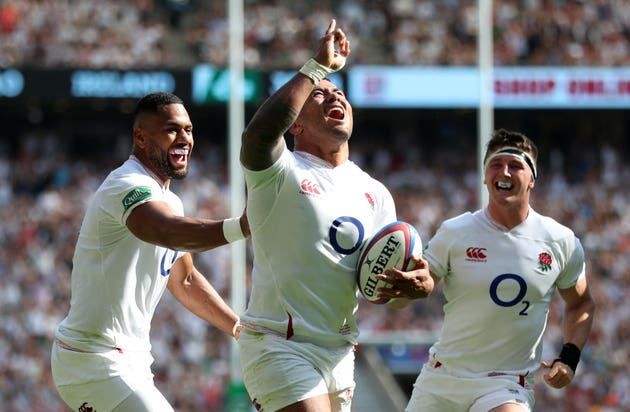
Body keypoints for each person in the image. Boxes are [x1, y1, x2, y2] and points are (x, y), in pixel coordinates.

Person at [236, 19, 428, 412]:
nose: (332, 96)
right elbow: (256, 136)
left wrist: (413, 288)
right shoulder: (280, 170)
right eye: (319, 95)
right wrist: (316, 68)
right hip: (279, 343)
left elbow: (378, 288)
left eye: (338, 92)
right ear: (296, 124)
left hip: (340, 351)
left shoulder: (375, 194)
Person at [51, 92, 249, 412]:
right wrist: (242, 227)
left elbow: (184, 281)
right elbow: (165, 229)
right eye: (172, 129)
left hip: (131, 361)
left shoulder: (170, 201)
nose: (184, 138)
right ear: (140, 137)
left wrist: (239, 330)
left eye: (189, 129)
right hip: (94, 359)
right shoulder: (126, 184)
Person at [378, 129, 596, 411]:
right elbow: (418, 285)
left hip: (506, 383)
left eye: (516, 166)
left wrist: (569, 358)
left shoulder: (560, 240)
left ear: (532, 179)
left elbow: (581, 303)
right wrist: (407, 290)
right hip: (443, 377)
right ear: (484, 177)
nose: (504, 171)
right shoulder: (455, 231)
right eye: (496, 164)